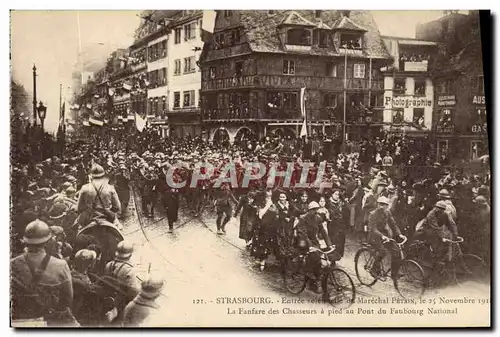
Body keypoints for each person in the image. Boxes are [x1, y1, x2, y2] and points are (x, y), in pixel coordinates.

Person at [11, 220, 78, 326]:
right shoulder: (61, 265)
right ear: (47, 241)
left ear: (26, 241)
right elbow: (67, 300)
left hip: (18, 319)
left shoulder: (11, 264)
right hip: (49, 321)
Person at [295, 201, 333, 293]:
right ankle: (310, 276)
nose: (315, 212)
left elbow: (323, 231)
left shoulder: (318, 218)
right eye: (313, 210)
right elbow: (302, 233)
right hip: (303, 241)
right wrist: (310, 246)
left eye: (316, 210)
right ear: (309, 210)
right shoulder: (303, 218)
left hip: (313, 241)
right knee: (313, 257)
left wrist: (329, 244)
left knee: (320, 258)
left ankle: (316, 279)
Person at [367, 196, 405, 279]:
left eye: (385, 205)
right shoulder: (373, 214)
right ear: (377, 204)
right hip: (374, 237)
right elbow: (373, 229)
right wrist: (382, 236)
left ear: (387, 206)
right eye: (381, 204)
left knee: (396, 250)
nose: (382, 206)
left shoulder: (387, 213)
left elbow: (393, 224)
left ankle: (394, 274)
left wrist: (399, 234)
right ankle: (373, 270)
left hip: (384, 236)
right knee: (382, 252)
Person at [76, 164, 122, 229]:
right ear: (103, 176)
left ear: (91, 176)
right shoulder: (110, 188)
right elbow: (118, 208)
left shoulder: (84, 188)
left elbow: (79, 208)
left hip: (89, 216)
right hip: (107, 216)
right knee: (119, 229)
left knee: (77, 228)